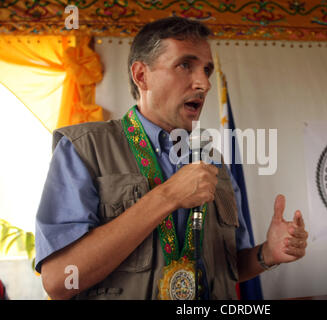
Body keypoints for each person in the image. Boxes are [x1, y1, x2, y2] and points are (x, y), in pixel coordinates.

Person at [35, 17, 308, 300]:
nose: (204, 83)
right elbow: (58, 281)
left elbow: (227, 267)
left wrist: (268, 254)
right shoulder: (84, 149)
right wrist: (166, 197)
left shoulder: (214, 164)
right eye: (184, 65)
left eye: (207, 70)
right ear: (142, 76)